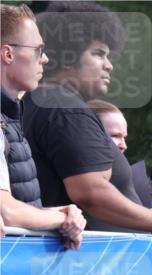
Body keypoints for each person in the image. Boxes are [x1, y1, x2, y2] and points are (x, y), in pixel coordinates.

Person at [21, 2, 152, 244]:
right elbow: (91, 192)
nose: (109, 65)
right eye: (99, 54)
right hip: (91, 262)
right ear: (67, 57)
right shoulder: (65, 108)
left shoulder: (35, 102)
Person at [0, 4, 86, 248]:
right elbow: (7, 211)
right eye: (38, 50)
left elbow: (18, 207)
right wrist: (62, 219)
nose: (45, 59)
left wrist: (63, 214)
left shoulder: (10, 117)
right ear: (8, 54)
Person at [86, 98, 152, 208]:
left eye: (124, 137)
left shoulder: (135, 181)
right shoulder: (75, 183)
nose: (124, 146)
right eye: (115, 136)